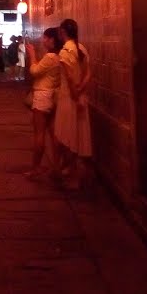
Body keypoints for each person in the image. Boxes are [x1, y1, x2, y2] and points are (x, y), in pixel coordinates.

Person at [54, 18, 92, 188]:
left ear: (63, 32)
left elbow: (69, 78)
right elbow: (88, 74)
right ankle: (74, 174)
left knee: (67, 137)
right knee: (79, 136)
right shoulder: (82, 49)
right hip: (80, 97)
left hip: (68, 100)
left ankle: (71, 176)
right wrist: (81, 90)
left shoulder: (64, 52)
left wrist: (75, 96)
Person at [24, 27, 62, 178]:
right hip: (53, 96)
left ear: (52, 40)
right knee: (54, 134)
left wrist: (32, 55)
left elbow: (34, 71)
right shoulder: (60, 56)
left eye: (46, 38)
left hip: (42, 96)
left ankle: (36, 168)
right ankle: (57, 166)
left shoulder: (51, 57)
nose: (43, 40)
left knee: (39, 134)